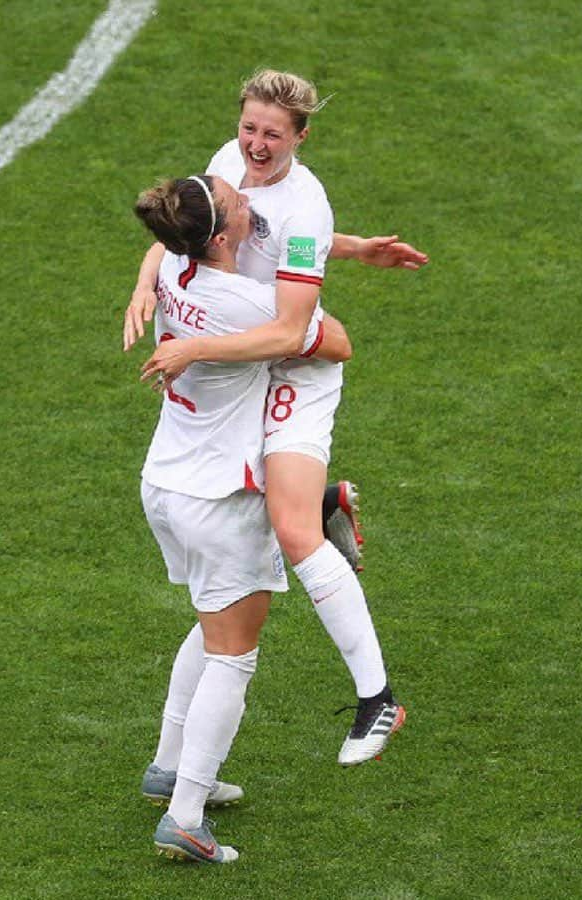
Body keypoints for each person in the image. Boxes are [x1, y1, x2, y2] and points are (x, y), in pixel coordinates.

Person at [125, 70, 428, 766]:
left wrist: (196, 345)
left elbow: (298, 332)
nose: (255, 146)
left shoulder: (306, 204)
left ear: (300, 136)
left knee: (289, 533)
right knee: (249, 509)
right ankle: (321, 503)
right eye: (249, 128)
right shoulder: (227, 165)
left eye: (272, 134)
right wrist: (144, 283)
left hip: (293, 363)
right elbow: (188, 225)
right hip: (245, 349)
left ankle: (376, 699)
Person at [134, 173, 351, 863]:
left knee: (209, 620)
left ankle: (168, 766)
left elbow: (161, 258)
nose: (249, 199)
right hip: (218, 501)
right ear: (223, 236)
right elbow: (335, 341)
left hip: (165, 481)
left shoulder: (172, 262)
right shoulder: (247, 303)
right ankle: (186, 816)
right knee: (234, 655)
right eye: (236, 201)